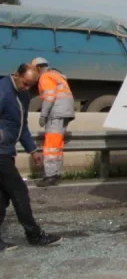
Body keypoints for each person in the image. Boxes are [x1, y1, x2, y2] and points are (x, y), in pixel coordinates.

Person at [0, 64, 62, 252]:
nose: (28, 88)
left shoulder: (23, 96)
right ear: (16, 75)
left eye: (32, 85)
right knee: (19, 192)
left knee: (2, 198)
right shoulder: (3, 91)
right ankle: (34, 235)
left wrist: (33, 149)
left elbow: (22, 125)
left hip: (7, 151)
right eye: (26, 83)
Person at [31, 57, 75, 187]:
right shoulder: (56, 75)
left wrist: (43, 115)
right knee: (57, 146)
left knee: (50, 146)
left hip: (56, 114)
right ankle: (55, 174)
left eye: (34, 69)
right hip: (65, 113)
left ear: (38, 68)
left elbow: (49, 97)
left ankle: (50, 176)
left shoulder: (45, 77)